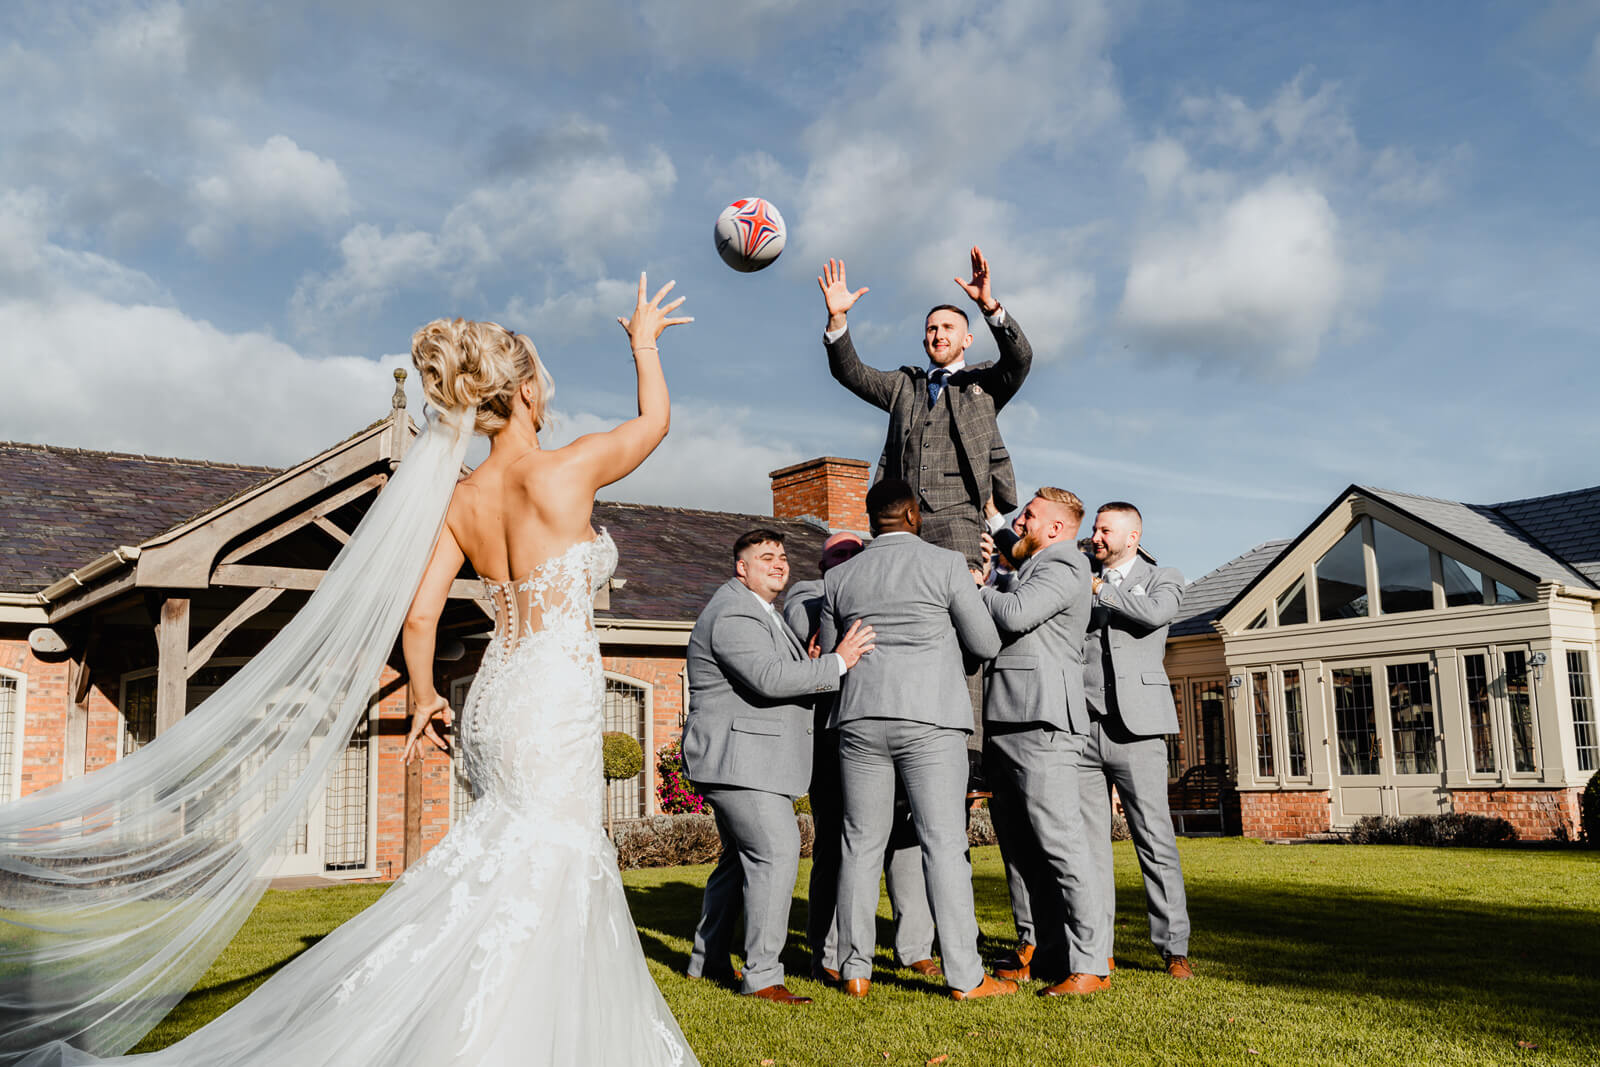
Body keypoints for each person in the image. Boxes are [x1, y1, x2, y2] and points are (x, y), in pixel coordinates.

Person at [4, 275, 700, 1065]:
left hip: (496, 699)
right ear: (529, 393)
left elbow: (418, 614)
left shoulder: (462, 499)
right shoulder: (566, 469)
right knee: (552, 858)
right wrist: (644, 343)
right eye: (546, 385)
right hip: (550, 698)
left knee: (510, 858)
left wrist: (431, 695)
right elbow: (655, 422)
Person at [819, 479, 1013, 1001]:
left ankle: (854, 968)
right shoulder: (945, 564)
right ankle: (965, 976)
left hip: (859, 717)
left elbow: (834, 651)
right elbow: (985, 641)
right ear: (911, 515)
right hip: (929, 718)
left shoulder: (839, 578)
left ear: (871, 517)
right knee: (943, 844)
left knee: (859, 843)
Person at [680, 531, 874, 1004]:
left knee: (736, 862)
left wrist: (808, 662)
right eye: (765, 557)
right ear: (740, 567)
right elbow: (768, 679)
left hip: (749, 761)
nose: (778, 564)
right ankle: (763, 976)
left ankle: (705, 961)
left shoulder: (760, 611)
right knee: (777, 852)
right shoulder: (733, 611)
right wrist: (838, 662)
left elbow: (776, 669)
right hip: (740, 761)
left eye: (782, 557)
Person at [783, 533, 939, 984]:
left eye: (856, 554)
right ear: (823, 562)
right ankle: (827, 951)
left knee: (904, 842)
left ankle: (914, 948)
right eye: (840, 555)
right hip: (835, 739)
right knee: (836, 844)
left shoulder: (884, 588)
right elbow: (802, 624)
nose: (849, 560)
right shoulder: (811, 592)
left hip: (890, 727)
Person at [816, 247, 1031, 569]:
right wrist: (838, 318)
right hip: (902, 522)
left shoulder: (985, 382)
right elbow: (851, 373)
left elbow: (1020, 358)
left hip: (958, 519)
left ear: (967, 340)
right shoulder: (903, 384)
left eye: (948, 328)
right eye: (932, 329)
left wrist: (990, 307)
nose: (939, 335)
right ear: (924, 341)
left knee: (959, 598)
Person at [976, 489, 1108, 996]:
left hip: (1046, 720)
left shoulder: (1065, 566)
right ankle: (1043, 949)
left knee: (1061, 845)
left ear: (1055, 528)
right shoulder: (1030, 565)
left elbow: (1012, 615)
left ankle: (1092, 962)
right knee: (1019, 850)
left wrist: (976, 588)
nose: (1019, 522)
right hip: (1008, 718)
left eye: (1027, 516)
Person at [1081, 502, 1193, 981]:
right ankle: (1095, 947)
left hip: (1140, 728)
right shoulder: (1079, 574)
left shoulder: (1163, 576)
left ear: (1132, 535)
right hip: (1082, 725)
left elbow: (1153, 615)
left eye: (1106, 530)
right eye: (1095, 529)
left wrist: (1101, 590)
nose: (1097, 536)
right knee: (1088, 847)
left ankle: (1174, 948)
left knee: (1154, 839)